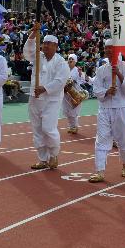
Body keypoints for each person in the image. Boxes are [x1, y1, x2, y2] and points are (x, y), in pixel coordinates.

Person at [89, 41, 125, 182]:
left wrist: (119, 75)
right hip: (105, 108)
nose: (108, 50)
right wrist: (107, 92)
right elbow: (96, 89)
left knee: (123, 139)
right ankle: (100, 171)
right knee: (101, 138)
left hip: (122, 108)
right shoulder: (101, 69)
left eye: (111, 48)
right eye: (106, 48)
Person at [23, 31, 69, 170]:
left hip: (51, 100)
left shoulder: (60, 62)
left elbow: (60, 81)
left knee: (48, 128)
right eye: (44, 43)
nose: (45, 46)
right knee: (37, 129)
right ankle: (42, 159)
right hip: (35, 98)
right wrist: (33, 34)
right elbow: (27, 52)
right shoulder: (38, 57)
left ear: (55, 46)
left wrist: (45, 88)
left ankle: (53, 154)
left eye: (49, 44)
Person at [62, 54, 87, 134]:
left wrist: (77, 79)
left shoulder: (78, 70)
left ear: (75, 61)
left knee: (73, 111)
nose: (70, 60)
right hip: (65, 93)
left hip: (75, 94)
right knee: (66, 111)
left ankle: (75, 126)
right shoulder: (65, 70)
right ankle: (71, 126)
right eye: (69, 59)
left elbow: (83, 81)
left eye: (72, 59)